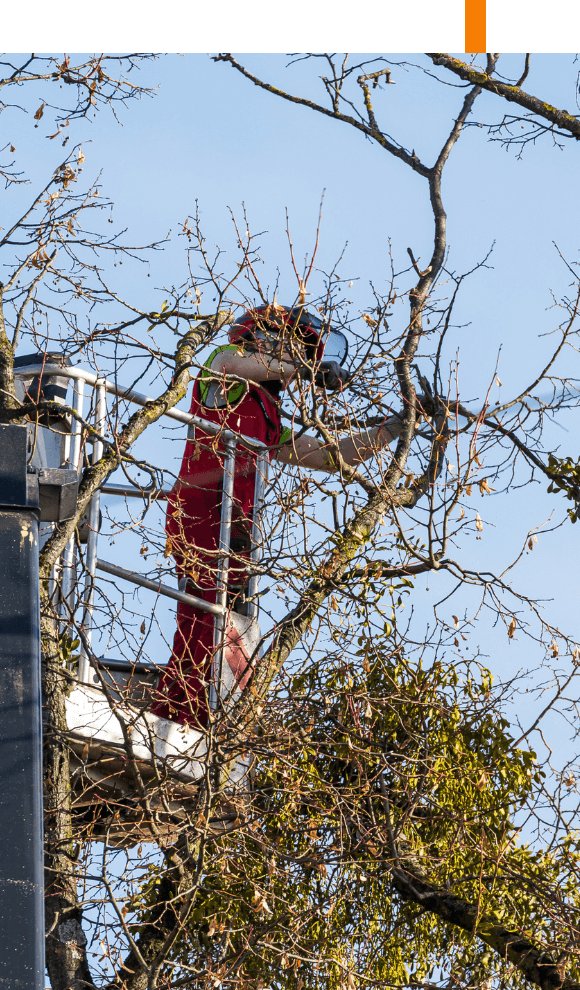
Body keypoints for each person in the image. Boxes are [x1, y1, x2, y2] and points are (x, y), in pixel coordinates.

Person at [152, 301, 408, 728]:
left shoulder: (267, 415)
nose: (300, 361)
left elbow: (329, 456)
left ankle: (199, 714)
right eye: (296, 348)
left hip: (235, 525)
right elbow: (248, 364)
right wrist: (303, 369)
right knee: (202, 618)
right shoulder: (223, 368)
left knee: (220, 620)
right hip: (200, 513)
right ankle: (178, 714)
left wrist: (393, 429)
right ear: (265, 338)